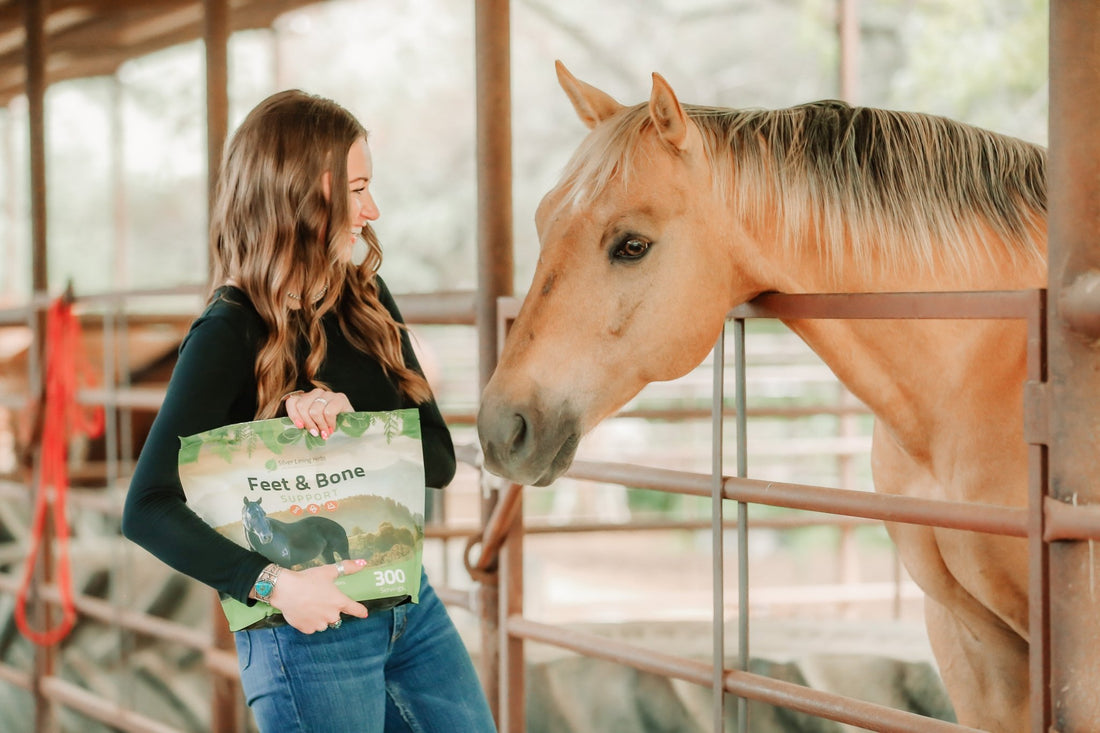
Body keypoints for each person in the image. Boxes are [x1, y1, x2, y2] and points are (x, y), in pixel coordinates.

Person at [122, 89, 496, 733]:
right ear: (303, 194)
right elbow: (146, 508)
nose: (372, 210)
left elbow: (436, 461)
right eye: (357, 188)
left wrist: (354, 428)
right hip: (305, 630)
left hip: (411, 610)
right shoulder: (228, 331)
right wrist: (274, 585)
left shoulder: (367, 298)